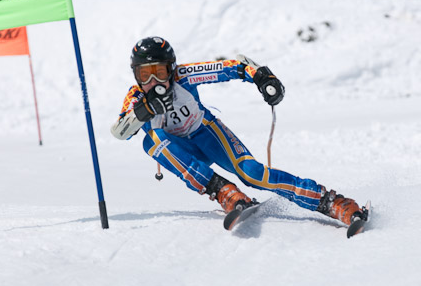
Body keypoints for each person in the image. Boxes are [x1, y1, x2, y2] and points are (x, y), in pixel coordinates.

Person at [111, 37, 367, 228]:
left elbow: (235, 65)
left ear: (172, 68)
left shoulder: (184, 75)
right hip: (183, 151)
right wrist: (143, 112)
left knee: (252, 173)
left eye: (160, 72)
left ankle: (330, 201)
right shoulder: (136, 98)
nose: (153, 82)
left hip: (207, 134)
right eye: (145, 75)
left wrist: (263, 78)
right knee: (151, 141)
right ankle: (222, 191)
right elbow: (120, 132)